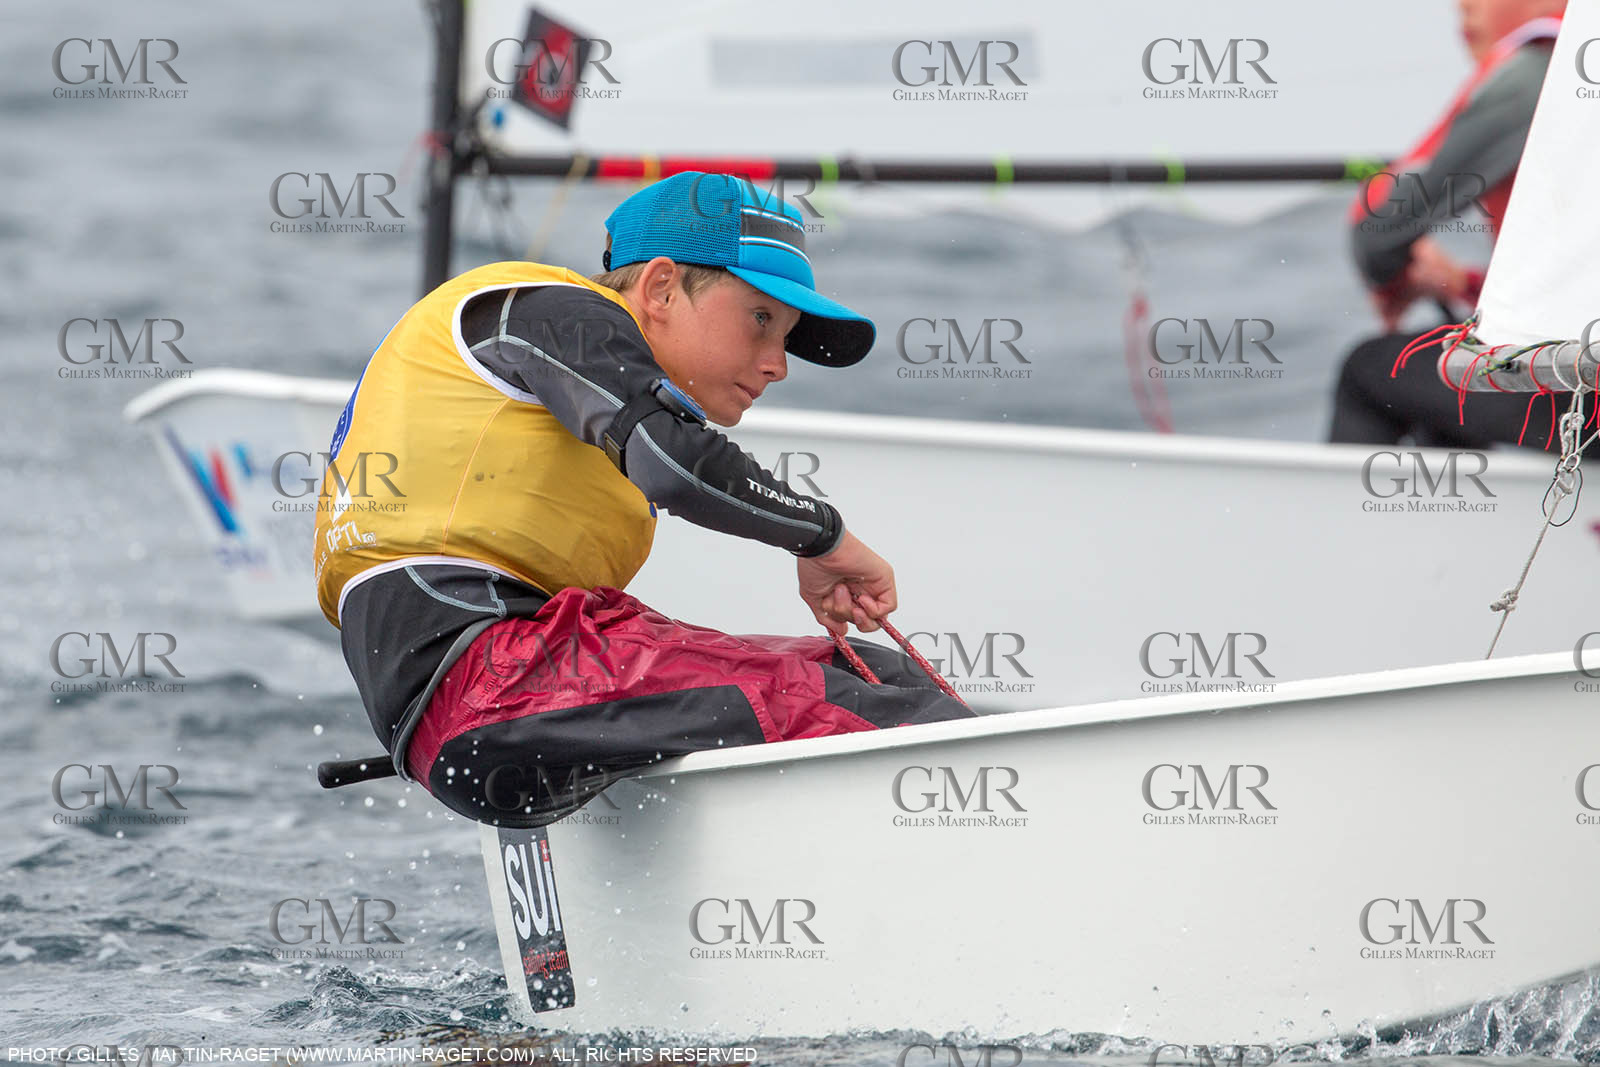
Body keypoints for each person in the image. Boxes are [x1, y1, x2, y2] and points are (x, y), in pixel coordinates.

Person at [311, 171, 975, 826]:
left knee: (877, 676)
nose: (777, 363)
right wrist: (823, 537)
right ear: (660, 287)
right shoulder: (555, 314)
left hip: (489, 703)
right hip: (491, 682)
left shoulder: (590, 395)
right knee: (889, 716)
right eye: (761, 319)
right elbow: (676, 465)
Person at [1328, 0, 1565, 447]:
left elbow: (1377, 230)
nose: (1463, 7)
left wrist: (1394, 276)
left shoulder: (1538, 75)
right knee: (1457, 366)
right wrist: (1464, 284)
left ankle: (1345, 516)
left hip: (1580, 396)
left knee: (1372, 370)